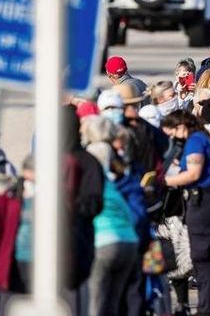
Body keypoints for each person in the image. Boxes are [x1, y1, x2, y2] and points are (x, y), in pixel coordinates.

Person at [163, 110, 210, 316]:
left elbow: (193, 173)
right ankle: (209, 305)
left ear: (181, 126)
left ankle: (208, 308)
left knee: (201, 255)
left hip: (202, 200)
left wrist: (163, 182)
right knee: (205, 255)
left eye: (172, 133)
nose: (173, 138)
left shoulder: (195, 141)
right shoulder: (202, 138)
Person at [84, 121, 140, 316]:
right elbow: (132, 212)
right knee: (113, 303)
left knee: (95, 302)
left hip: (104, 242)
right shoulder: (116, 184)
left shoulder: (92, 185)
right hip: (129, 242)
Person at [62, 105, 105, 315]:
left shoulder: (87, 163)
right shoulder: (48, 160)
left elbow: (94, 203)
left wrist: (70, 208)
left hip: (79, 240)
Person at [0, 155, 35, 315]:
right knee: (10, 306)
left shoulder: (53, 198)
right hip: (13, 263)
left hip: (40, 264)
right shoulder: (9, 197)